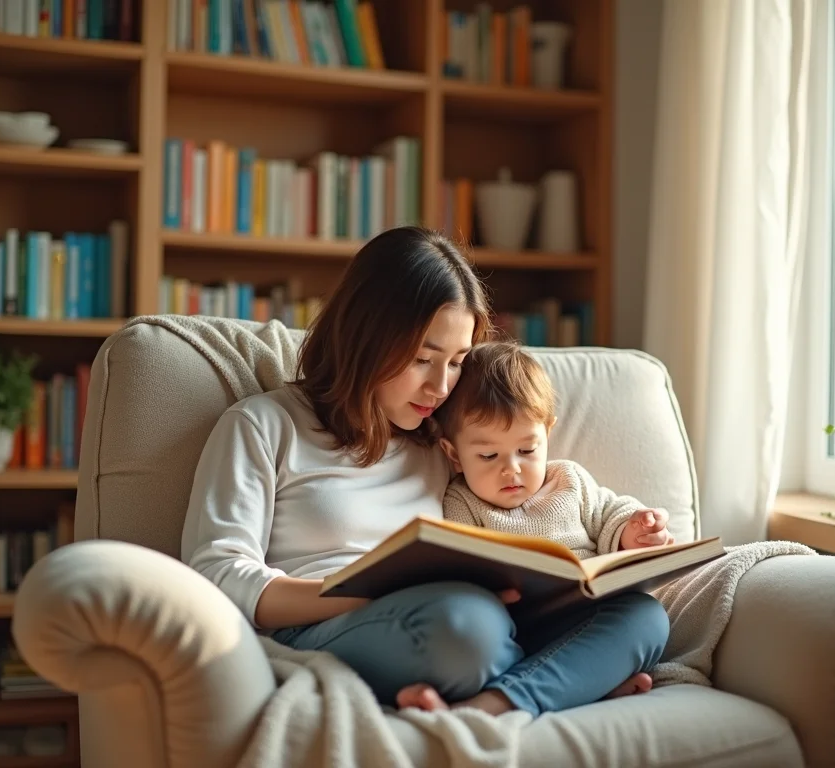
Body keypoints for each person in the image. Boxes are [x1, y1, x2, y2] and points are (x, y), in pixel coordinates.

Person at [180, 226, 673, 717]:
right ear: (365, 337)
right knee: (465, 626)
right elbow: (219, 573)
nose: (440, 386)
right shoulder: (264, 424)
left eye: (457, 362)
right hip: (334, 625)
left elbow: (527, 483)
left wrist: (624, 534)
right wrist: (365, 596)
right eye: (422, 358)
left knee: (644, 618)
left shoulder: (446, 442)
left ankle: (491, 703)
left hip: (479, 618)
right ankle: (571, 677)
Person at [397, 340, 673, 715]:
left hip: (583, 617)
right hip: (512, 630)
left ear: (547, 433)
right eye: (488, 455)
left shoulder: (569, 480)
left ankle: (577, 682)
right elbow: (457, 573)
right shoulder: (461, 502)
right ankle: (520, 697)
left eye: (527, 450)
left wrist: (635, 530)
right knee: (475, 640)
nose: (511, 469)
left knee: (648, 618)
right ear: (453, 454)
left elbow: (611, 514)